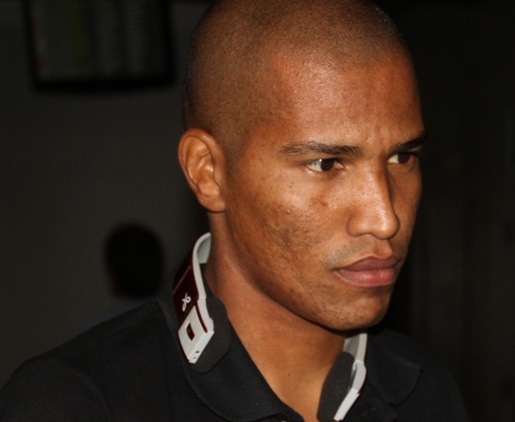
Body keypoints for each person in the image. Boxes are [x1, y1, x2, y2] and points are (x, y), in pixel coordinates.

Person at [0, 0, 470, 420]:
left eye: (402, 157)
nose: (385, 218)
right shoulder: (75, 402)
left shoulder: (427, 387)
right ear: (208, 172)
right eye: (326, 164)